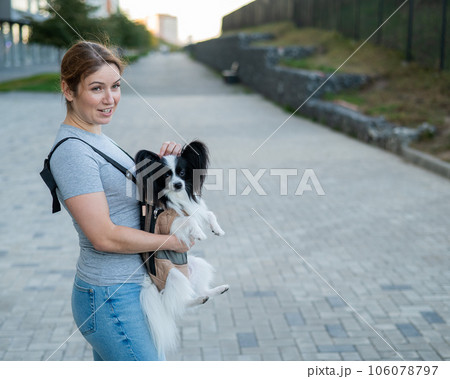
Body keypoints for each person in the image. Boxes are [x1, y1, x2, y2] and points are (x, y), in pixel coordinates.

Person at [49, 41, 191, 361]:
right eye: (97, 88)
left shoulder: (96, 135)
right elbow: (103, 235)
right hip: (111, 296)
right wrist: (173, 241)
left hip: (127, 290)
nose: (110, 99)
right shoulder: (73, 151)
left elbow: (124, 200)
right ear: (68, 90)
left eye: (115, 86)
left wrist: (163, 169)